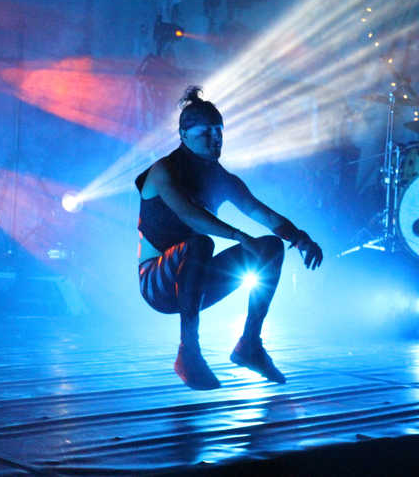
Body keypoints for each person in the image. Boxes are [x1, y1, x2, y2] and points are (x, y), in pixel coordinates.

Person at [135, 86, 323, 390]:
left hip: (195, 279)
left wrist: (300, 238)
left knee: (271, 248)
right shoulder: (163, 171)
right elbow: (189, 214)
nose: (215, 139)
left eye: (219, 131)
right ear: (183, 134)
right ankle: (189, 352)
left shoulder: (220, 178)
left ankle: (250, 344)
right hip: (157, 284)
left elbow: (264, 215)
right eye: (206, 133)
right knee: (200, 243)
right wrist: (238, 235)